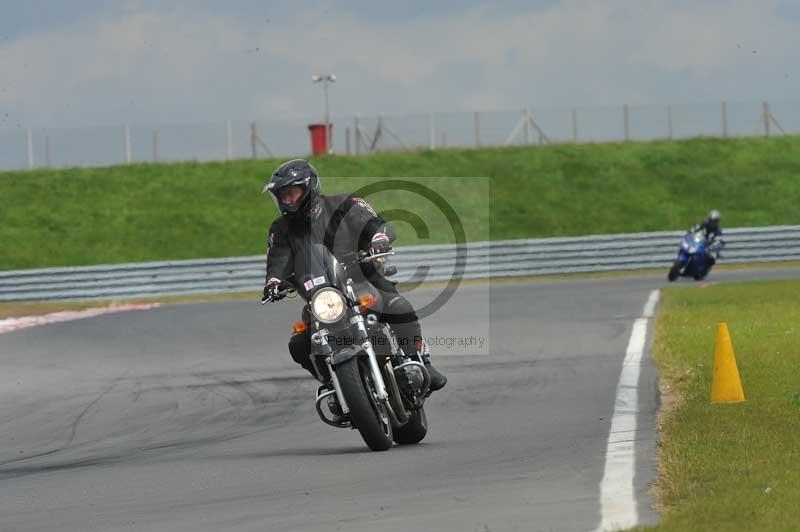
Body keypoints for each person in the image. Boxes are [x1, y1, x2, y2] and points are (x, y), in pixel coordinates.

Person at [261, 159, 447, 393]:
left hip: (363, 278)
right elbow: (278, 259)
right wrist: (274, 282)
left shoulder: (344, 204)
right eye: (282, 196)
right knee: (299, 344)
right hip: (323, 295)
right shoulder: (280, 229)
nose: (287, 200)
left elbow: (376, 224)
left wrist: (379, 238)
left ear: (309, 188)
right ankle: (334, 385)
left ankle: (418, 360)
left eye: (292, 193)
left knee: (397, 306)